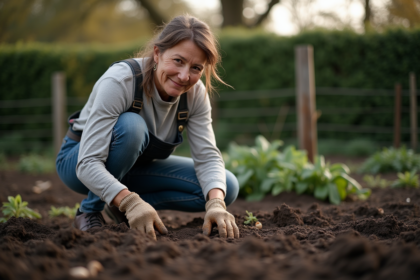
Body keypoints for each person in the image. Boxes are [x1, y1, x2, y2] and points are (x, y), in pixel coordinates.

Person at [55, 15, 240, 240]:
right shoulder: (120, 81)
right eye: (178, 61)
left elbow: (208, 157)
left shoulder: (195, 93)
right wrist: (131, 202)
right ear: (157, 53)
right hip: (79, 162)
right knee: (131, 127)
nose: (184, 76)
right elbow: (87, 163)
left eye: (196, 67)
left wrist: (216, 204)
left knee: (225, 186)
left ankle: (117, 204)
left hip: (136, 168)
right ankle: (90, 210)